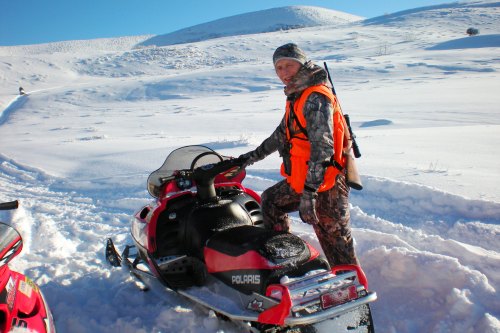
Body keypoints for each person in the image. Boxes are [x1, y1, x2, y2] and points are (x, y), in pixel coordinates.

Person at [240, 43, 359, 267]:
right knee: (271, 201)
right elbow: (281, 135)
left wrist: (309, 194)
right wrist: (247, 159)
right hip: (307, 180)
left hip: (327, 183)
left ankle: (355, 297)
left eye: (289, 65)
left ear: (302, 64)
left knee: (336, 243)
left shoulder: (315, 97)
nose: (284, 72)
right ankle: (285, 260)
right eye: (279, 68)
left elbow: (322, 148)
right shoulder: (297, 96)